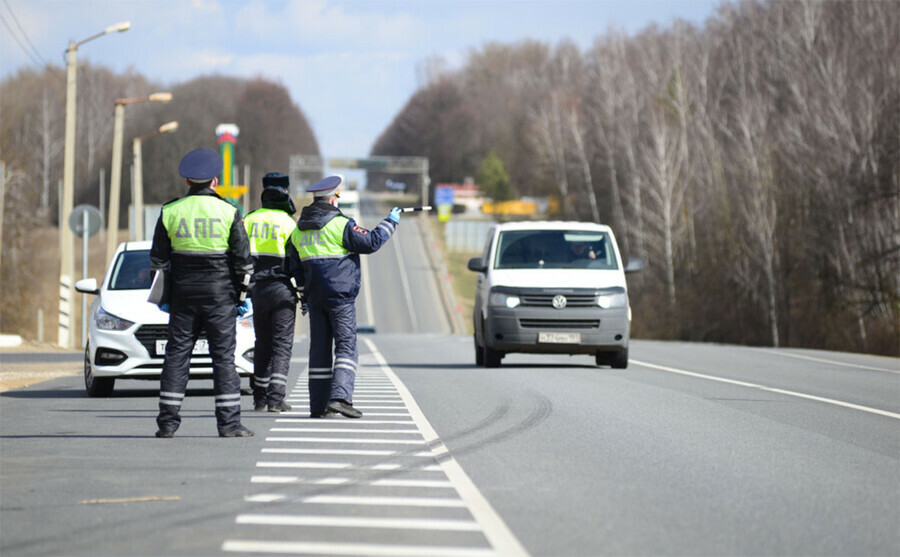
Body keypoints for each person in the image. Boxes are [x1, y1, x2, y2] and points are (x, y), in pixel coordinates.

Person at [149, 147, 255, 438]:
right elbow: (244, 264)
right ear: (215, 181)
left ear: (187, 182)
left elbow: (158, 260)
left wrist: (165, 297)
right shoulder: (229, 211)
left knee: (176, 357)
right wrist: (243, 299)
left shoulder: (170, 211)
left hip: (183, 298)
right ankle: (229, 424)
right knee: (223, 359)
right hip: (221, 298)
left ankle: (167, 424)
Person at [286, 175, 400, 419]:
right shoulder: (340, 224)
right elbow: (370, 242)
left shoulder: (298, 231)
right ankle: (340, 398)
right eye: (337, 196)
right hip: (340, 297)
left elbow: (293, 267)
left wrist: (304, 294)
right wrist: (390, 222)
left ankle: (318, 406)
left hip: (315, 299)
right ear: (332, 198)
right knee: (347, 347)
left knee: (319, 351)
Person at [243, 171, 300, 413]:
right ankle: (276, 399)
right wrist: (305, 294)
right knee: (282, 344)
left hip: (256, 289)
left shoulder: (249, 218)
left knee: (262, 343)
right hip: (281, 288)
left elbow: (239, 255)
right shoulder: (288, 222)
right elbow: (297, 261)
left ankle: (259, 397)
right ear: (285, 191)